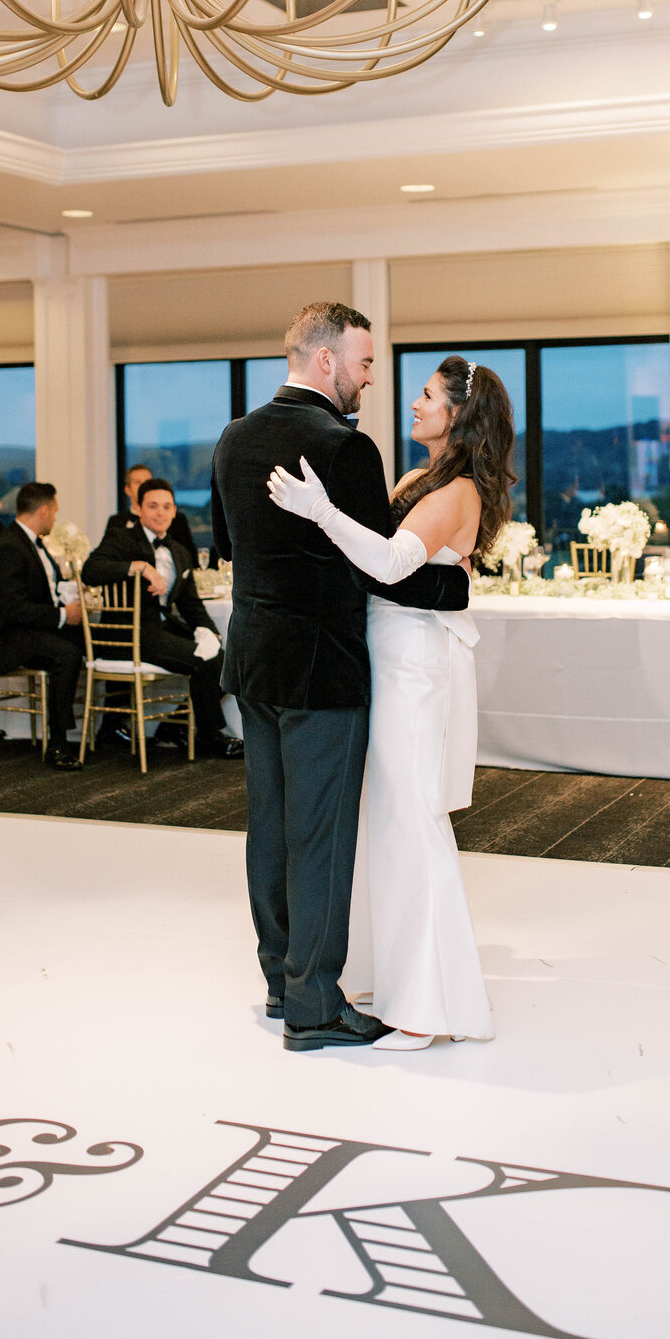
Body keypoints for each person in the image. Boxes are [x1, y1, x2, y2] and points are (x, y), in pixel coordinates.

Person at [211, 301, 471, 1053]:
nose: (368, 380)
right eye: (362, 364)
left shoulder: (235, 437)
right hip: (323, 665)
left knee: (270, 823)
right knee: (319, 835)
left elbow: (229, 545)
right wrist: (454, 589)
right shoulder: (344, 448)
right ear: (325, 361)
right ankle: (314, 1005)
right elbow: (381, 571)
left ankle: (276, 980)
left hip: (254, 658)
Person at [269, 355, 514, 1051]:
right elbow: (378, 555)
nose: (415, 402)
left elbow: (387, 564)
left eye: (429, 396)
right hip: (386, 653)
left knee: (413, 821)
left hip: (416, 666)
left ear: (459, 416)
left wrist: (319, 512)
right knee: (388, 819)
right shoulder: (415, 480)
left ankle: (428, 1007)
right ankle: (397, 976)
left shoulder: (458, 492)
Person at [82, 477, 242, 759]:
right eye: (153, 506)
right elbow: (90, 571)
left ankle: (175, 726)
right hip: (127, 633)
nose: (160, 512)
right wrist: (139, 566)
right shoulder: (122, 538)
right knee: (202, 662)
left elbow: (191, 605)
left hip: (159, 630)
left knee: (222, 659)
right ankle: (208, 737)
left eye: (167, 506)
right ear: (139, 509)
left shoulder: (179, 552)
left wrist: (208, 631)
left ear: (174, 510)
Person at [0, 481, 83, 770]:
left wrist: (74, 594)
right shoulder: (10, 547)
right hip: (11, 638)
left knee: (93, 642)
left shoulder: (30, 542)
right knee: (67, 654)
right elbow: (14, 608)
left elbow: (46, 590)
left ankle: (108, 726)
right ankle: (58, 742)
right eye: (54, 512)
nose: (54, 518)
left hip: (34, 629)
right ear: (42, 511)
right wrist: (64, 616)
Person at [104, 464, 196, 558]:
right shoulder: (115, 522)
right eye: (138, 482)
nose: (144, 485)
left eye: (148, 481)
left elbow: (190, 556)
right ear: (128, 490)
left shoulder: (176, 520)